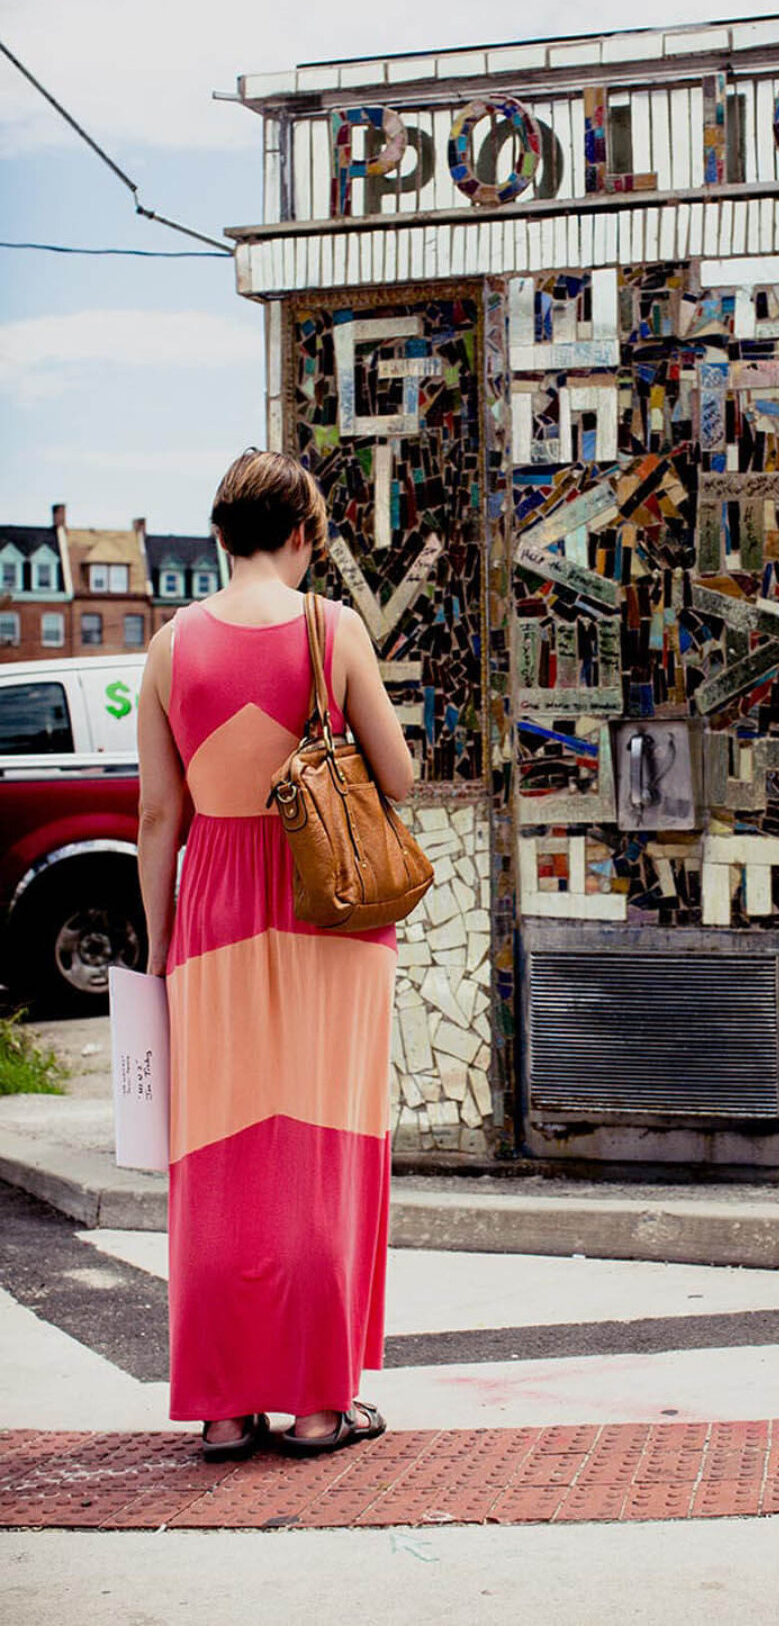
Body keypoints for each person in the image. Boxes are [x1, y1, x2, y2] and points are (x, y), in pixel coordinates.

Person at [136, 449, 413, 1461]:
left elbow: (158, 813)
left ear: (220, 532)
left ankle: (221, 1404)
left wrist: (162, 954)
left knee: (215, 1152)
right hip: (327, 906)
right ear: (304, 533)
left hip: (210, 906)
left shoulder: (169, 647)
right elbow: (399, 774)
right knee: (322, 1147)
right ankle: (314, 1405)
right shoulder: (332, 628)